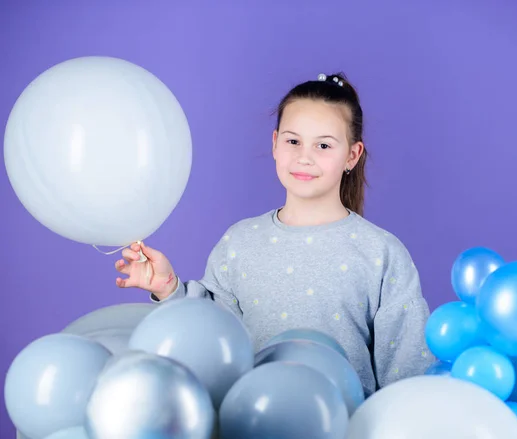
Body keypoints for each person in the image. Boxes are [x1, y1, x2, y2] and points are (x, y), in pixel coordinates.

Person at [115, 72, 435, 396]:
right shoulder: (240, 242)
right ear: (274, 144)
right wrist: (169, 288)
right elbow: (213, 330)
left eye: (323, 145)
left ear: (351, 155)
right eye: (293, 141)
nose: (304, 157)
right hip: (253, 422)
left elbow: (407, 370)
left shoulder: (381, 252)